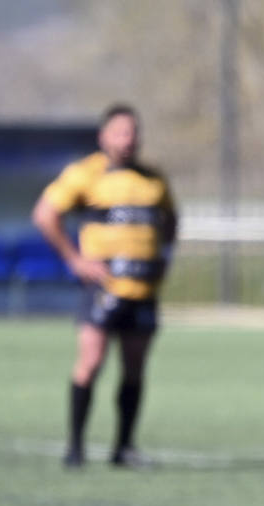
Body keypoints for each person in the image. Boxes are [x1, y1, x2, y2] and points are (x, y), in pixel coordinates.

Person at [32, 102, 178, 469]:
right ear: (104, 136)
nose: (129, 140)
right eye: (121, 132)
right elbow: (45, 214)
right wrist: (75, 259)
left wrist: (164, 257)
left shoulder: (152, 178)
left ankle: (124, 448)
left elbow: (172, 220)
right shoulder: (86, 174)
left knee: (134, 368)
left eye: (133, 132)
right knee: (91, 362)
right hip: (103, 288)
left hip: (143, 291)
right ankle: (76, 446)